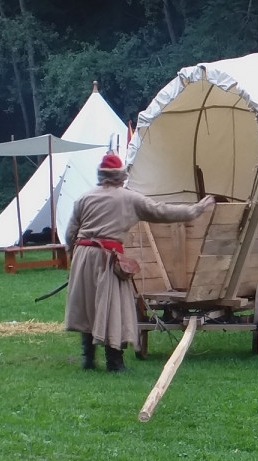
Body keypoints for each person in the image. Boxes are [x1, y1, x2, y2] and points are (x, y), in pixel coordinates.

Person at [65, 153, 216, 371]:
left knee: (89, 306)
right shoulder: (130, 199)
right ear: (121, 177)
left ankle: (88, 359)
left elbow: (71, 233)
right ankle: (114, 362)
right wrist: (196, 210)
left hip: (83, 255)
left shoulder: (84, 198)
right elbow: (162, 211)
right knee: (112, 307)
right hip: (107, 258)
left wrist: (73, 256)